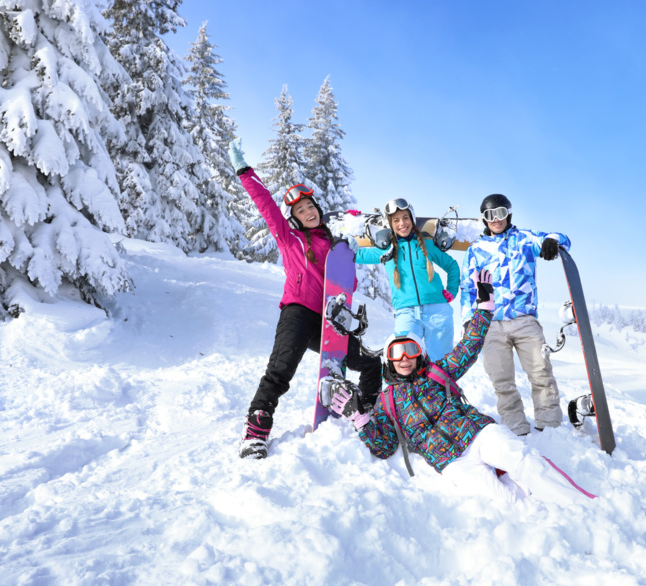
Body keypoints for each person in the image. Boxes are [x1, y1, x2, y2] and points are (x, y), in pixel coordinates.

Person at [330, 270, 594, 505]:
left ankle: (578, 503)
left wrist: (484, 310)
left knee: (522, 460)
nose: (404, 358)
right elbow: (385, 446)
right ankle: (537, 509)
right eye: (396, 353)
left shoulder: (436, 373)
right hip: (451, 462)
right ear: (389, 360)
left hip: (478, 434)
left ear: (420, 353)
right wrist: (361, 421)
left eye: (410, 350)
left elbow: (468, 347)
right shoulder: (387, 402)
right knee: (506, 502)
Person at [229, 139, 382, 460]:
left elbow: (348, 283)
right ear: (295, 219)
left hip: (329, 321)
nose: (308, 212)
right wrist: (244, 171)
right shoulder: (290, 239)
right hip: (298, 313)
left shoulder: (336, 246)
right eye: (300, 210)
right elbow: (266, 205)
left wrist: (355, 253)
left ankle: (367, 410)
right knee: (280, 369)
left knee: (370, 363)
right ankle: (255, 432)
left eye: (310, 206)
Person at [459, 194, 571, 437]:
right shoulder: (476, 250)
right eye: (489, 215)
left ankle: (550, 428)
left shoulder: (524, 239)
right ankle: (516, 430)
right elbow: (467, 288)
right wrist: (469, 320)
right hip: (490, 323)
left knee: (541, 373)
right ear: (484, 219)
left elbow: (563, 239)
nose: (495, 219)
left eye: (500, 213)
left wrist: (551, 241)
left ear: (508, 214)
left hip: (524, 319)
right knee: (501, 380)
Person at [353, 198, 460, 359]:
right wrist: (349, 234)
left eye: (405, 218)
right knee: (405, 358)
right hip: (406, 312)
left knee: (442, 362)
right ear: (390, 224)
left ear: (412, 219)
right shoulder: (386, 250)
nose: (402, 223)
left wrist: (451, 290)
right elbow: (358, 255)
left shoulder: (426, 245)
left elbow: (452, 266)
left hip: (437, 310)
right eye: (396, 220)